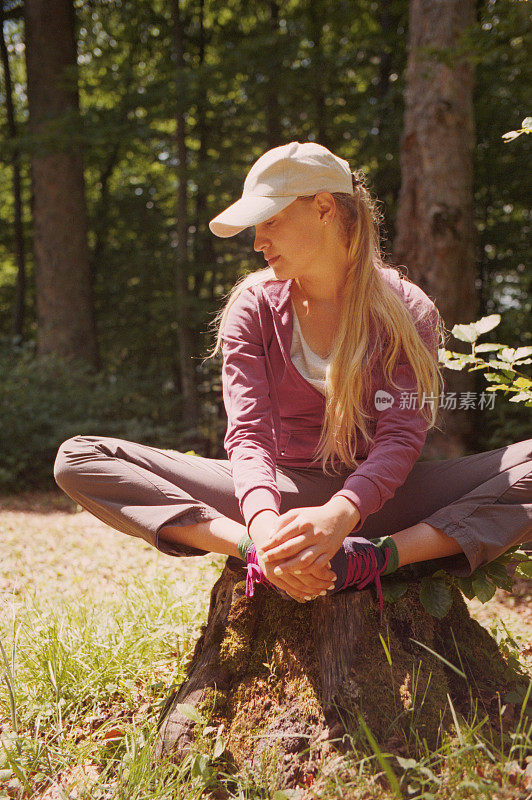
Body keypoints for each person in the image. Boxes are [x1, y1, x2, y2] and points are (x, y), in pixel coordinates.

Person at [53, 142, 531, 620]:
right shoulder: (253, 307)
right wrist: (261, 532)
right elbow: (248, 436)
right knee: (79, 458)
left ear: (323, 208)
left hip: (385, 499)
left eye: (270, 221)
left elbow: (402, 436)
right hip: (276, 491)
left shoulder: (408, 309)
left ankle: (375, 557)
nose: (258, 241)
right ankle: (257, 557)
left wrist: (342, 513)